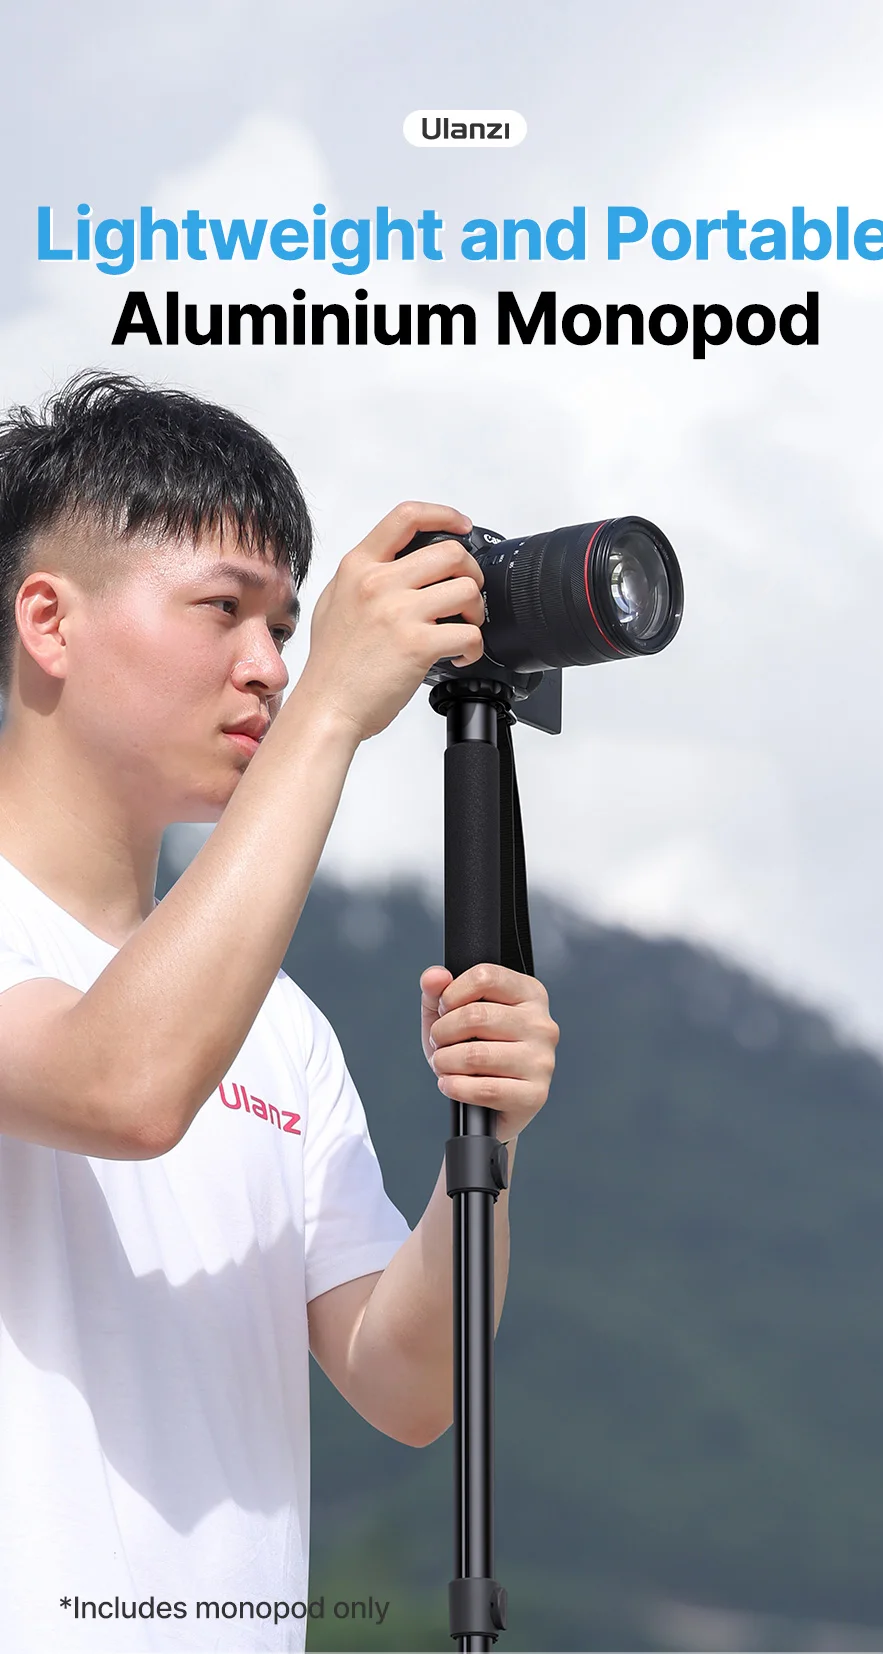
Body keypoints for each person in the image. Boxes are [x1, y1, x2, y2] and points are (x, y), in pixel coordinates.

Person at [0, 372, 559, 1653]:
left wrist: (488, 1140)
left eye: (290, 627)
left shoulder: (280, 1025)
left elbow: (410, 1384)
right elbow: (122, 1087)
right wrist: (333, 712)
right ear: (49, 619)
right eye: (224, 609)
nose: (269, 667)